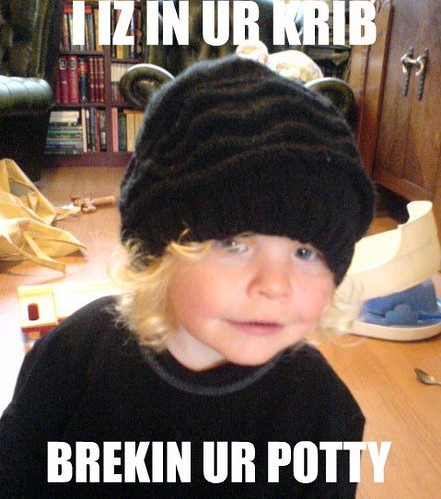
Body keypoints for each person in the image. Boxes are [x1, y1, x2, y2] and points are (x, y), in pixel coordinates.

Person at [0, 55, 375, 496]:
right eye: (233, 243)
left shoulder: (321, 408)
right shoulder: (76, 358)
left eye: (305, 252)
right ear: (159, 249)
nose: (275, 285)